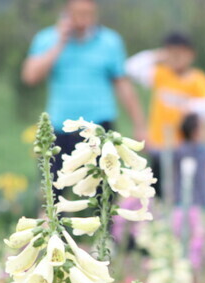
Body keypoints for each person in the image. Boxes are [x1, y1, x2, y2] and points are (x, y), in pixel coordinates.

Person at [21, 0, 146, 177]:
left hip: (100, 125)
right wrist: (59, 43)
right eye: (77, 14)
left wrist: (139, 124)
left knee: (104, 189)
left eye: (87, 14)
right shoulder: (47, 38)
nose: (82, 20)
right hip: (59, 127)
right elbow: (30, 76)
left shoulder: (110, 42)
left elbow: (123, 84)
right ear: (65, 13)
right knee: (51, 190)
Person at [125, 32, 205, 197]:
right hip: (158, 144)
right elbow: (130, 68)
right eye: (171, 53)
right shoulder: (161, 74)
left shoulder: (196, 79)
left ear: (191, 54)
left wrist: (190, 106)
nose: (176, 58)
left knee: (181, 192)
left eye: (180, 54)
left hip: (183, 148)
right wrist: (157, 55)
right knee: (157, 191)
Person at [171, 113, 205, 210]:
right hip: (189, 203)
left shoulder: (198, 149)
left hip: (199, 201)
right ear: (195, 132)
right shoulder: (185, 151)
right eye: (203, 127)